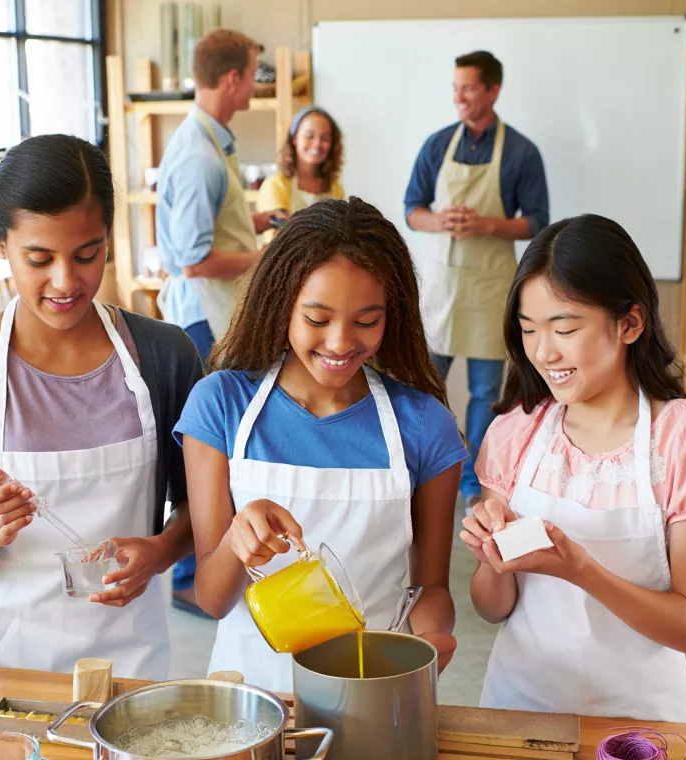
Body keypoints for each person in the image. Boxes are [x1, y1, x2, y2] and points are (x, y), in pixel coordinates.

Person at [0, 135, 203, 679]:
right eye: (39, 259)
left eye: (87, 254)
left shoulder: (166, 357)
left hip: (131, 665)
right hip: (3, 672)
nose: (66, 282)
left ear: (109, 239)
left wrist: (159, 553)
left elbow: (202, 509)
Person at [176, 197, 467, 692]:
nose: (339, 343)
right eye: (317, 319)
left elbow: (431, 587)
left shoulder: (423, 425)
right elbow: (211, 597)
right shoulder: (221, 404)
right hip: (250, 696)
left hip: (375, 691)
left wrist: (433, 637)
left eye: (366, 321)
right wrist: (236, 541)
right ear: (281, 304)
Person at [461, 215, 686, 724]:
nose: (544, 352)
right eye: (529, 329)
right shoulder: (516, 432)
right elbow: (493, 608)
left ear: (630, 324)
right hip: (521, 710)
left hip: (644, 728)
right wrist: (490, 558)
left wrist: (581, 570)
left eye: (565, 328)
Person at [155, 28, 285, 610]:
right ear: (232, 78)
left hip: (220, 313)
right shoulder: (197, 154)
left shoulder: (215, 143)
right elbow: (193, 260)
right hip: (200, 321)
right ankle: (191, 579)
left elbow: (215, 230)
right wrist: (266, 256)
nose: (255, 86)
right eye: (254, 74)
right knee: (209, 449)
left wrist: (258, 225)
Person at [405, 50, 549, 514]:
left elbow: (538, 224)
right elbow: (412, 209)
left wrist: (487, 225)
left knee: (487, 396)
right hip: (443, 287)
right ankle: (413, 475)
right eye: (455, 89)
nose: (459, 98)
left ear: (492, 90)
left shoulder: (522, 152)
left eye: (468, 88)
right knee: (424, 386)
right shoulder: (436, 144)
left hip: (490, 288)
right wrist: (441, 220)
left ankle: (472, 486)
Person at [257, 106, 345, 243]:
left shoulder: (335, 189)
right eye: (309, 136)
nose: (317, 144)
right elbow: (281, 235)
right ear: (295, 138)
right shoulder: (275, 185)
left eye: (325, 138)